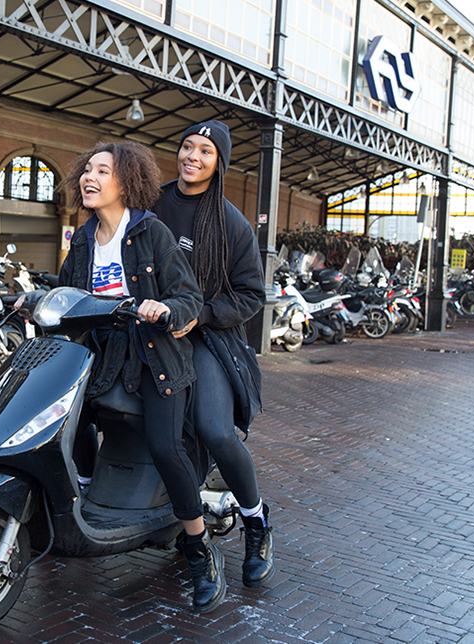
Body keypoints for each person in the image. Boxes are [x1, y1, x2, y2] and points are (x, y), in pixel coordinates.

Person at [57, 140, 226, 613]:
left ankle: (199, 549)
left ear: (125, 182)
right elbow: (68, 293)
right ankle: (86, 494)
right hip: (101, 358)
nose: (89, 178)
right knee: (66, 421)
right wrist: (33, 299)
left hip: (155, 358)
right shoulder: (84, 238)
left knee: (165, 447)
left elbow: (189, 298)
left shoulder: (151, 233)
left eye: (102, 171)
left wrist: (165, 307)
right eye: (86, 170)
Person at [152, 120, 276, 588]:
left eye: (205, 151)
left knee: (215, 431)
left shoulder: (231, 222)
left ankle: (257, 522)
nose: (193, 156)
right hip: (146, 330)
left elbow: (251, 295)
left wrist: (201, 315)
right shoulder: (152, 201)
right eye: (187, 146)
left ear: (218, 162)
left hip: (205, 337)